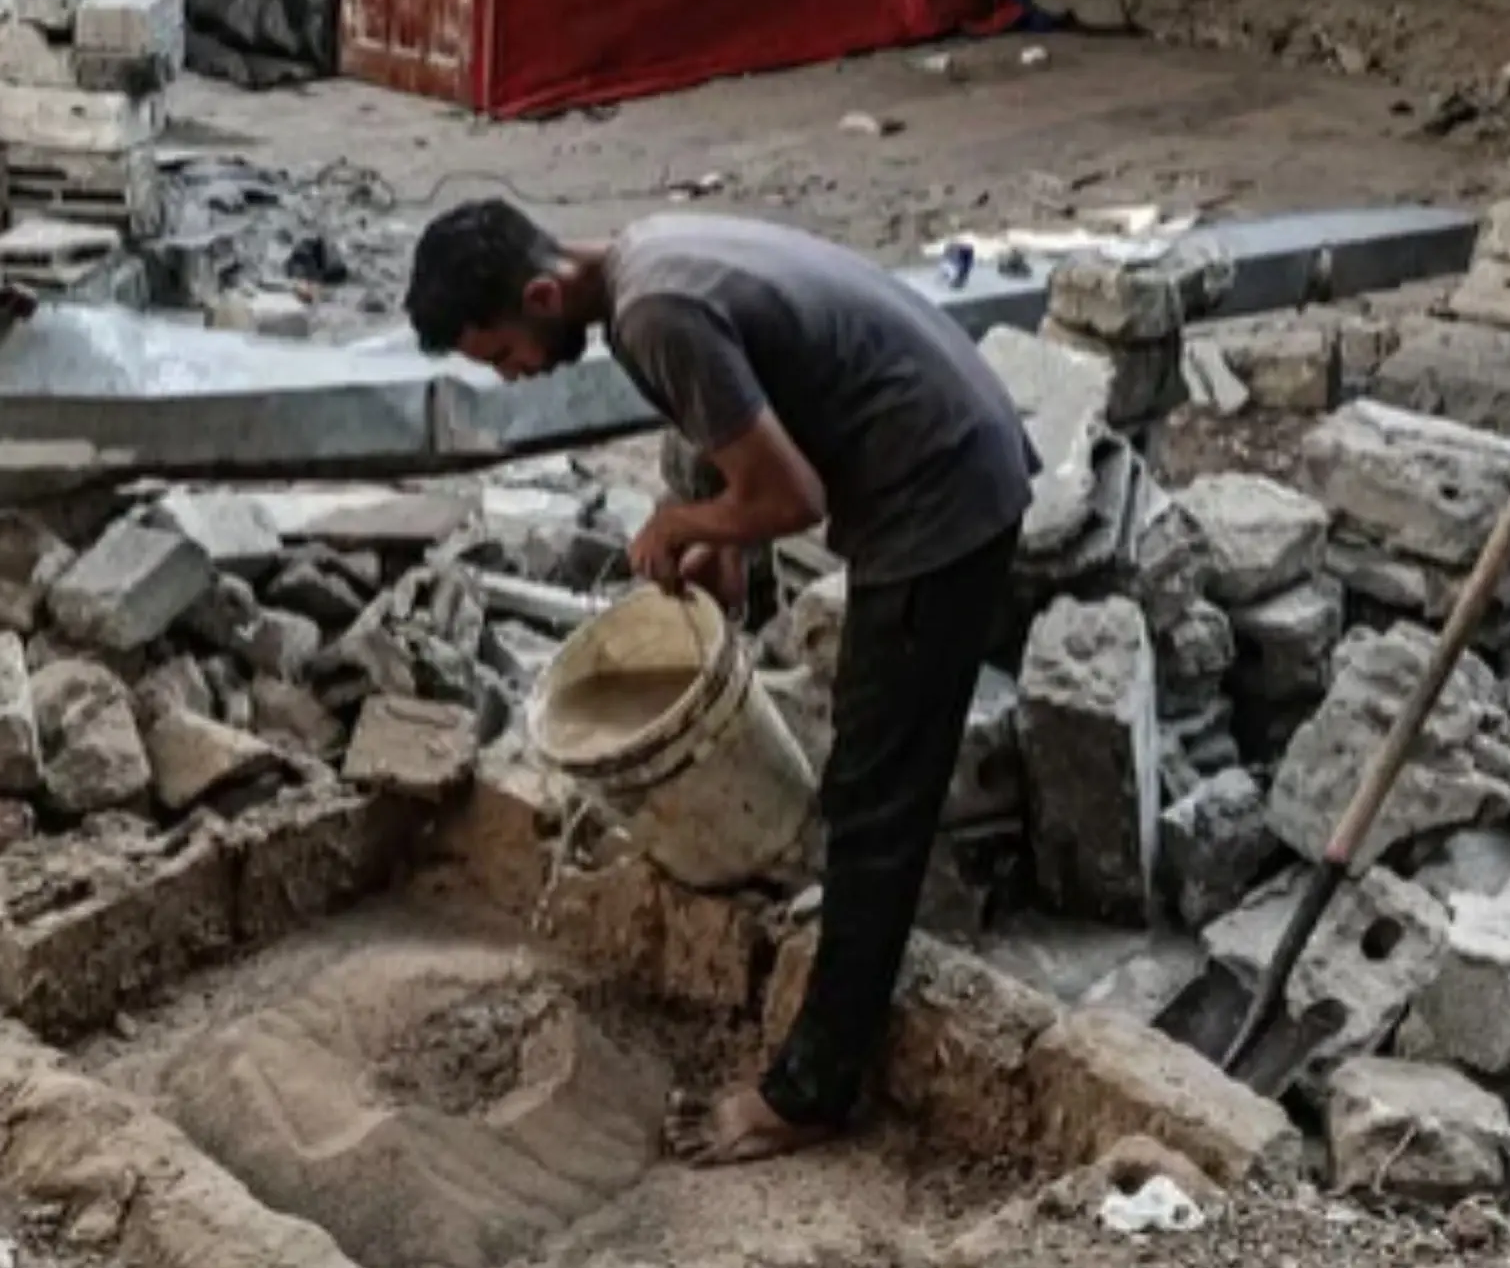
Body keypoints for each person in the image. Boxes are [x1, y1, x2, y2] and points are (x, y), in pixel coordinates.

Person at [404, 200, 1036, 1165]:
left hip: (940, 485)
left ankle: (813, 1091)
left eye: (504, 355)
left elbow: (794, 497)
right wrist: (716, 526)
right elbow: (739, 408)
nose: (517, 376)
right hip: (951, 428)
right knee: (873, 769)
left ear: (540, 295)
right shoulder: (645, 258)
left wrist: (683, 525)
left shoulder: (654, 315)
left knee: (873, 800)